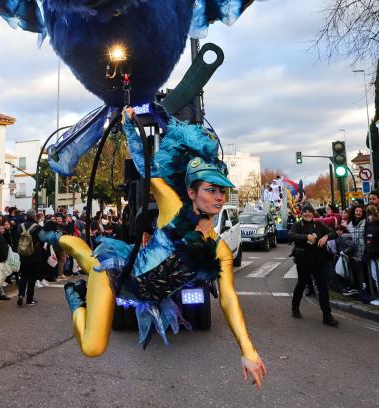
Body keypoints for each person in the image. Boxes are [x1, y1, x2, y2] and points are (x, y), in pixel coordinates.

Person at [42, 109, 267, 389]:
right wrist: (127, 124)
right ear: (192, 192)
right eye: (211, 189)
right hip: (119, 276)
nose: (219, 197)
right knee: (92, 346)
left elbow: (228, 299)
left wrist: (247, 350)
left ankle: (59, 244)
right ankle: (64, 263)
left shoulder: (218, 250)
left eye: (222, 191)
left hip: (149, 297)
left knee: (87, 260)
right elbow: (145, 164)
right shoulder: (173, 209)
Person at [288, 204, 339, 326]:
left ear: (313, 213)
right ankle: (295, 308)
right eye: (305, 212)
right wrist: (306, 237)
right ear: (302, 214)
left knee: (323, 288)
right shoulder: (297, 225)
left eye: (309, 212)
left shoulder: (319, 224)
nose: (307, 214)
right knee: (301, 284)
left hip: (319, 261)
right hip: (303, 261)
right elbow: (290, 235)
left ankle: (327, 315)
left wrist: (326, 237)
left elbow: (334, 233)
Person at [16, 210, 43, 306]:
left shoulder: (20, 226)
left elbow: (17, 239)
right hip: (34, 254)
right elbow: (41, 240)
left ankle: (20, 295)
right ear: (34, 216)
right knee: (32, 277)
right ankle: (29, 299)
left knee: (23, 276)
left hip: (23, 254)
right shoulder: (37, 227)